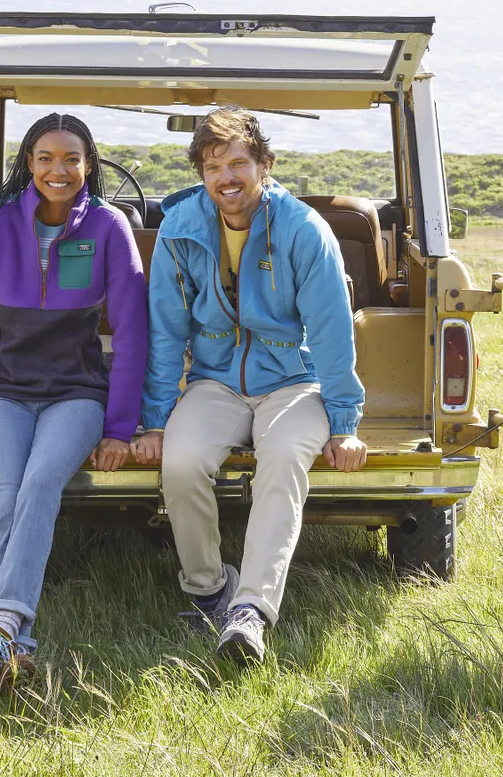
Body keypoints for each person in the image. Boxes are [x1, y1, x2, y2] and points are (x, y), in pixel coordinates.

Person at [131, 107, 366, 664]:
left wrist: (344, 424)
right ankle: (209, 589)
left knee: (283, 458)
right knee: (182, 462)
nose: (227, 177)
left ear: (265, 164)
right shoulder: (179, 229)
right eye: (213, 166)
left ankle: (251, 611)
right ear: (201, 174)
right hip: (214, 381)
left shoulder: (305, 230)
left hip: (294, 382)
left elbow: (331, 332)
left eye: (239, 162)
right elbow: (166, 330)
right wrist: (157, 419)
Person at [0, 113, 147, 694]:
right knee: (6, 496)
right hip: (2, 390)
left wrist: (120, 428)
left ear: (88, 165)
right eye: (46, 157)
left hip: (76, 393)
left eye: (71, 159)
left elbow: (131, 334)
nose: (59, 169)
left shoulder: (109, 225)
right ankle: (13, 643)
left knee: (39, 485)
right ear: (28, 162)